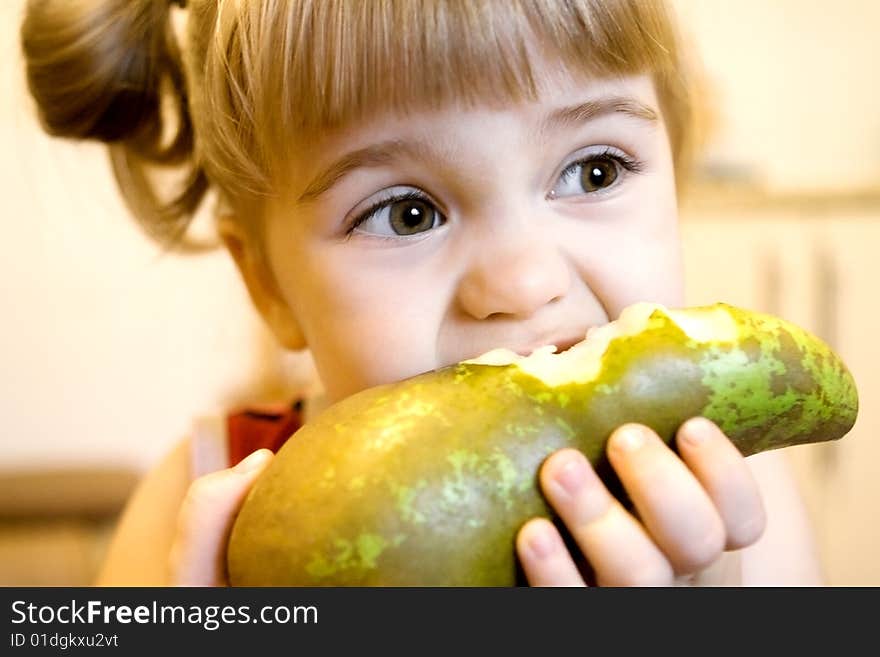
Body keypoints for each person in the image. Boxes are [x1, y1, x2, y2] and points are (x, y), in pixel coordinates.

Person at [20, 0, 825, 586]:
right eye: (407, 213)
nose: (524, 283)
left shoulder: (740, 506)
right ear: (268, 284)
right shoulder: (198, 506)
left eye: (595, 170)